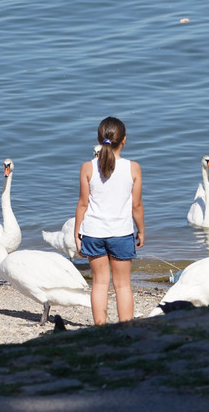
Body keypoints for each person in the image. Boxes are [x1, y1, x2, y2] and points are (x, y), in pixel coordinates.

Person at [75, 116, 145, 325]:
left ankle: (100, 329)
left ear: (99, 139)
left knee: (99, 283)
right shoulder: (133, 168)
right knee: (122, 285)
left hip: (93, 232)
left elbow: (82, 204)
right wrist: (141, 230)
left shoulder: (87, 167)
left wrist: (77, 232)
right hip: (121, 233)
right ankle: (126, 328)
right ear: (124, 140)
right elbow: (137, 206)